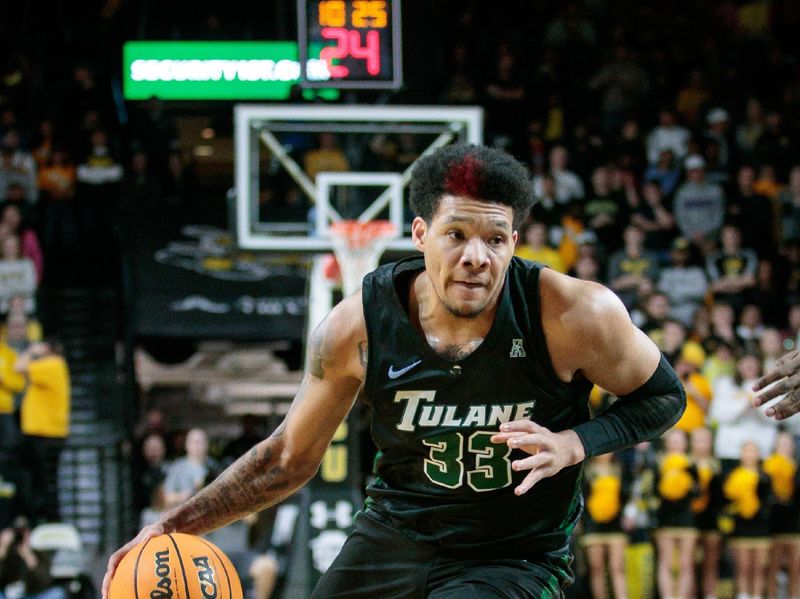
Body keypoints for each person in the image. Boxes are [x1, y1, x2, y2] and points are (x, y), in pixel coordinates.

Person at [103, 144, 687, 598]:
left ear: (514, 242)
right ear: (420, 234)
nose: (475, 257)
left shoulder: (573, 313)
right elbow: (287, 459)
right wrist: (178, 523)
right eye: (456, 234)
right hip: (398, 533)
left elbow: (664, 398)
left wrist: (575, 441)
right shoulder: (356, 328)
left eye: (495, 239)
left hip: (513, 551)